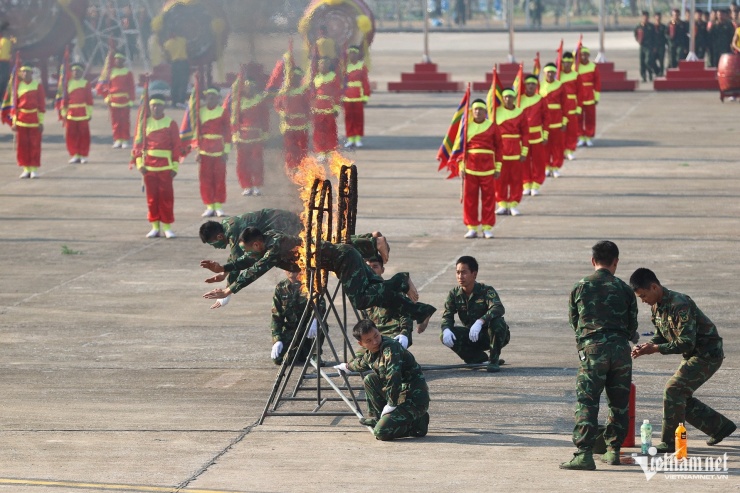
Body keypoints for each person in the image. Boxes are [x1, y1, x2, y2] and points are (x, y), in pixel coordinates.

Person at [202, 228, 434, 329]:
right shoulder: (267, 242)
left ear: (257, 243)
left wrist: (229, 290)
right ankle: (421, 311)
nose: (250, 253)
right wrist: (225, 266)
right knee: (379, 293)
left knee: (362, 300)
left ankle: (402, 280)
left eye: (250, 249)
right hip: (343, 259)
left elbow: (257, 268)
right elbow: (249, 261)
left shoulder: (274, 247)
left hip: (344, 260)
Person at [629, 268, 736, 452]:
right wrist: (647, 345)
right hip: (695, 354)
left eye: (643, 296)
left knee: (673, 390)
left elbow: (686, 343)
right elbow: (662, 335)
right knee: (679, 395)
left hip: (707, 354)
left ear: (654, 287)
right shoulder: (657, 306)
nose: (643, 301)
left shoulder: (680, 304)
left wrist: (654, 349)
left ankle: (671, 442)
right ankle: (719, 427)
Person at [560, 241, 638, 470]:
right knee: (619, 404)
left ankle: (584, 453)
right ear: (616, 262)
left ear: (593, 261)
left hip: (593, 351)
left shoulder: (580, 286)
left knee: (587, 401)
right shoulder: (624, 289)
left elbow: (574, 322)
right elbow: (632, 325)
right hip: (621, 351)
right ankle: (613, 451)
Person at [334, 319, 430, 441]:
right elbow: (362, 363)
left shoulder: (390, 348)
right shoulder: (371, 353)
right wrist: (346, 367)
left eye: (376, 336)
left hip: (414, 400)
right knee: (370, 379)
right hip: (399, 395)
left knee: (381, 433)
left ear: (379, 332)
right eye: (368, 340)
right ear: (361, 344)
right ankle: (380, 418)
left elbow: (393, 376)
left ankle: (417, 424)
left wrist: (391, 403)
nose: (375, 342)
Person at [440, 256, 510, 373]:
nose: (460, 276)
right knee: (445, 335)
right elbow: (447, 315)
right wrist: (446, 329)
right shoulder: (454, 294)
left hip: (491, 335)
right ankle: (478, 359)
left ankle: (494, 360)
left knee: (498, 322)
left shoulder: (486, 290)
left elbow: (498, 308)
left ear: (474, 274)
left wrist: (480, 321)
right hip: (472, 336)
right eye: (457, 272)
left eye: (464, 272)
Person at [132, 95, 181, 239]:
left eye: (159, 105)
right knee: (152, 199)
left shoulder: (170, 123)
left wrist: (175, 166)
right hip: (149, 167)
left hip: (166, 167)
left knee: (166, 198)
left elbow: (176, 146)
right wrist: (139, 164)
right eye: (153, 105)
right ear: (150, 107)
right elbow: (139, 145)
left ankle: (167, 227)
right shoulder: (144, 124)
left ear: (163, 107)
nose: (156, 108)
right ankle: (154, 226)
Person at [184, 86, 231, 218]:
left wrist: (226, 150)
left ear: (217, 98)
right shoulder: (200, 112)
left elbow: (228, 132)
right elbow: (197, 133)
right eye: (208, 96)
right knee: (205, 179)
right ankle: (209, 206)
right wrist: (197, 150)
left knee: (219, 179)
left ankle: (218, 206)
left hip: (219, 150)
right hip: (204, 150)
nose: (210, 99)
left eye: (213, 96)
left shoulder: (223, 112)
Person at [461, 99, 503, 239]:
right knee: (470, 200)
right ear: (472, 112)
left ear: (485, 112)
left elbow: (499, 148)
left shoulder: (492, 126)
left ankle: (487, 227)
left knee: (489, 199)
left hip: (488, 169)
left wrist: (498, 167)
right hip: (470, 169)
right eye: (475, 110)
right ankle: (472, 227)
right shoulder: (466, 127)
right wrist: (461, 166)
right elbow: (460, 149)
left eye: (481, 110)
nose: (478, 112)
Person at [363, 257, 415, 350]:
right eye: (368, 267)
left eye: (375, 267)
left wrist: (404, 334)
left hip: (393, 335)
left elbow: (406, 314)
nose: (371, 270)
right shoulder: (365, 293)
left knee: (387, 353)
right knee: (358, 360)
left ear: (382, 270)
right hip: (374, 337)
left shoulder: (391, 289)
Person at [270, 270, 320, 365]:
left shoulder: (309, 285)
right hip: (291, 329)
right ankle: (299, 352)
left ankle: (314, 353)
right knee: (279, 359)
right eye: (288, 268)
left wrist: (315, 320)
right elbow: (276, 316)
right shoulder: (281, 287)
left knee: (320, 325)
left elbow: (320, 305)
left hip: (308, 328)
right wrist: (277, 340)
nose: (291, 271)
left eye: (294, 268)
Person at [231, 77, 269, 196]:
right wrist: (235, 137)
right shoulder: (238, 102)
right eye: (247, 87)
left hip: (257, 136)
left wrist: (265, 133)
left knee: (257, 162)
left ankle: (257, 185)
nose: (249, 90)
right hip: (242, 137)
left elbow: (265, 118)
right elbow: (235, 121)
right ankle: (246, 185)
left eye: (252, 87)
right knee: (242, 162)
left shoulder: (260, 100)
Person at [494, 89, 529, 216]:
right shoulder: (496, 113)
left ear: (514, 98)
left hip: (515, 150)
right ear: (502, 99)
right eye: (505, 97)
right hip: (501, 150)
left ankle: (514, 203)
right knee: (500, 179)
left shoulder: (520, 112)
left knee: (516, 179)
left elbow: (525, 133)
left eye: (510, 96)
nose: (508, 99)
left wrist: (524, 151)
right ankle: (502, 203)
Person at [12, 64, 45, 179]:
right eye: (23, 72)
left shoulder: (37, 86)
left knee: (34, 144)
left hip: (34, 119)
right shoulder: (18, 86)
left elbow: (41, 105)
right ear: (21, 74)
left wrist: (41, 121)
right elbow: (14, 106)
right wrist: (14, 122)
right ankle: (26, 168)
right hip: (21, 120)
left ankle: (34, 168)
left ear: (31, 73)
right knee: (22, 145)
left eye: (27, 71)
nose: (25, 74)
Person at [274, 67, 310, 171]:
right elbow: (277, 106)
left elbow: (308, 106)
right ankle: (291, 166)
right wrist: (283, 113)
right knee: (290, 147)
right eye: (293, 77)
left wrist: (308, 119)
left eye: (297, 77)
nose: (294, 79)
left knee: (302, 147)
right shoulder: (284, 92)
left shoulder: (303, 91)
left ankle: (302, 167)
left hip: (302, 125)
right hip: (288, 125)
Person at [520, 74, 549, 197]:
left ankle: (536, 184)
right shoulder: (518, 100)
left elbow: (546, 118)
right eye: (528, 84)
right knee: (524, 161)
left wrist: (545, 135)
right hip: (523, 137)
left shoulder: (541, 99)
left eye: (533, 84)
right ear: (524, 85)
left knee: (538, 161)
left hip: (537, 135)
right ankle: (526, 184)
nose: (530, 86)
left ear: (536, 85)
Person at [310, 57, 342, 160]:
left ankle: (330, 151)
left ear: (328, 66)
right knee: (319, 131)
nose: (322, 66)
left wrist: (336, 108)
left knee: (330, 130)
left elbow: (337, 94)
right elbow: (312, 94)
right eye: (321, 64)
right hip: (318, 109)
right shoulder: (316, 78)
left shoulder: (333, 77)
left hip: (329, 108)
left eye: (324, 64)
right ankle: (321, 152)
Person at [539, 64, 568, 178]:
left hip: (557, 120)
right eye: (548, 72)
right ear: (544, 73)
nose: (550, 74)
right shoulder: (539, 86)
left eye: (552, 72)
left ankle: (555, 167)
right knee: (545, 146)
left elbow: (565, 105)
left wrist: (564, 121)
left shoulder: (560, 86)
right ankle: (546, 166)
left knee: (557, 146)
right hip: (543, 122)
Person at [63, 63, 94, 164]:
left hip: (82, 113)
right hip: (71, 113)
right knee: (71, 135)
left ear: (81, 72)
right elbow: (65, 100)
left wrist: (89, 113)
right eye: (74, 70)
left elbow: (89, 100)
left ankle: (83, 154)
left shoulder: (86, 83)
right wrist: (64, 113)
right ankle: (75, 154)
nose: (75, 72)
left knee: (84, 135)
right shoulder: (67, 84)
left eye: (78, 71)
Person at [103, 53, 135, 149]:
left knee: (124, 121)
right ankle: (117, 139)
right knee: (115, 121)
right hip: (113, 100)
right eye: (116, 59)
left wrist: (131, 100)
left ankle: (125, 140)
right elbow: (107, 86)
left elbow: (131, 87)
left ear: (123, 61)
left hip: (124, 100)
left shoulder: (128, 72)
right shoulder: (110, 72)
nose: (118, 61)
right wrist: (107, 97)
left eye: (120, 59)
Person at [342, 46, 371, 148]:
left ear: (357, 55)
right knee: (348, 118)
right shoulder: (345, 67)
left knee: (358, 118)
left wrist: (366, 97)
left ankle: (358, 138)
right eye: (350, 53)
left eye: (354, 53)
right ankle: (350, 138)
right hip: (347, 97)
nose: (352, 55)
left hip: (358, 96)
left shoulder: (361, 66)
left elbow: (365, 83)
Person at [558, 51, 582, 161]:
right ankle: (561, 151)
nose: (566, 65)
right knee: (561, 131)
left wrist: (579, 107)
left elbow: (580, 93)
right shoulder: (558, 76)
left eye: (568, 62)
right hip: (561, 108)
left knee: (572, 130)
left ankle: (570, 150)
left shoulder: (576, 75)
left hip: (572, 106)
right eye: (564, 62)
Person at [576, 47, 600, 148]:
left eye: (585, 55)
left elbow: (597, 83)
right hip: (579, 97)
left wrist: (596, 97)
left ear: (588, 56)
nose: (584, 57)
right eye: (581, 55)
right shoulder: (576, 67)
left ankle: (589, 137)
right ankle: (581, 137)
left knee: (590, 118)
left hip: (590, 96)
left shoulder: (593, 67)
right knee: (579, 119)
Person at [163, 32, 189, 108]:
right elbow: (188, 49)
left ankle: (174, 102)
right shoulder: (182, 40)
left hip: (174, 63)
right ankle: (181, 101)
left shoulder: (167, 44)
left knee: (175, 83)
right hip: (183, 62)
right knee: (183, 83)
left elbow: (166, 55)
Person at [634, 11, 655, 82]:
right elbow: (635, 34)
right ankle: (644, 77)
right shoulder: (638, 26)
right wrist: (638, 40)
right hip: (642, 46)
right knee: (642, 62)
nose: (645, 18)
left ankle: (650, 73)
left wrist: (654, 47)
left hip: (649, 46)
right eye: (643, 17)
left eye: (646, 17)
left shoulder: (651, 26)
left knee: (647, 61)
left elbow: (654, 37)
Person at [0, 23, 14, 103]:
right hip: (2, 62)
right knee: (2, 80)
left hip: (5, 62)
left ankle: (2, 97)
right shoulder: (4, 40)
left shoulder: (8, 40)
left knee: (4, 80)